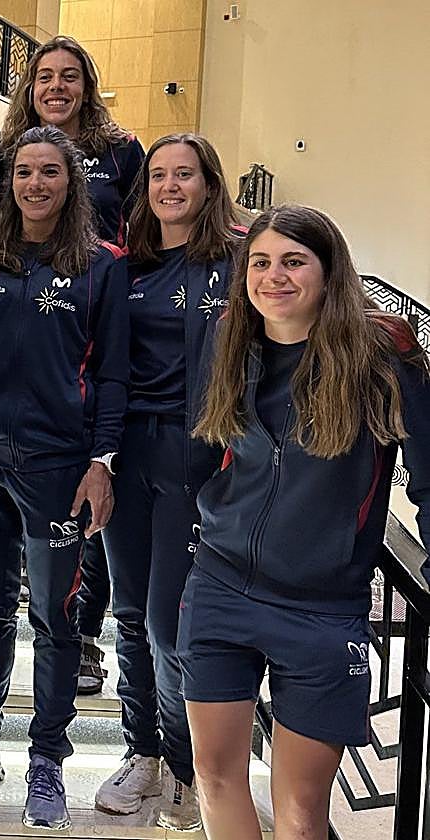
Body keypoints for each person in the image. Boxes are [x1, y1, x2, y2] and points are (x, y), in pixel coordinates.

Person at [182, 204, 430, 840]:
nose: (274, 276)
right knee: (213, 776)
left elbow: (428, 482)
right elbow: (208, 444)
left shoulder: (384, 356)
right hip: (221, 585)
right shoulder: (229, 338)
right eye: (260, 262)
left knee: (300, 811)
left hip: (322, 608)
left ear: (329, 272)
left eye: (294, 262)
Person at [0, 125, 128, 830]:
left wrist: (101, 462)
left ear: (71, 182)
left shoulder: (102, 265)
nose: (35, 185)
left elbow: (111, 376)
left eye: (50, 173)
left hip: (57, 468)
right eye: (23, 174)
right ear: (7, 182)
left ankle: (47, 758)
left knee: (53, 618)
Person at [93, 133, 242, 830]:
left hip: (199, 462)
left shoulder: (237, 263)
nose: (170, 186)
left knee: (168, 624)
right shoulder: (131, 267)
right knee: (128, 612)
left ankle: (187, 769)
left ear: (209, 184)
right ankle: (142, 751)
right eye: (158, 175)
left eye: (185, 174)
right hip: (131, 456)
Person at [0, 34, 146, 697]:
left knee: (89, 495)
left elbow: (152, 226)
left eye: (69, 76)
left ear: (87, 85)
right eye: (43, 77)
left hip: (97, 313)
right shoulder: (3, 154)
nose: (56, 87)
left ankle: (84, 632)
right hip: (21, 329)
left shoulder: (123, 153)